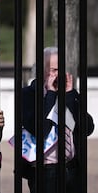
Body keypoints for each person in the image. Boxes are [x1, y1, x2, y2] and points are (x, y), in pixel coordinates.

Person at [20, 46, 95, 193]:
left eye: (61, 69)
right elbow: (40, 130)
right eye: (53, 70)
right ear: (41, 70)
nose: (58, 74)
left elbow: (87, 128)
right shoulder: (28, 94)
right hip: (45, 171)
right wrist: (51, 95)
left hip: (71, 168)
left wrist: (69, 95)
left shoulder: (69, 94)